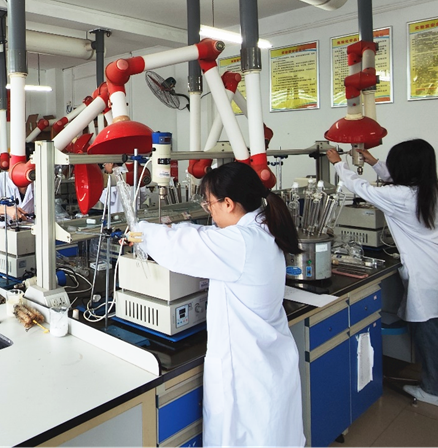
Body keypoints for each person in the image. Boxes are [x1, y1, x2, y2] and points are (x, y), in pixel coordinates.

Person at [128, 162, 305, 448]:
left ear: (229, 203)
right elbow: (200, 237)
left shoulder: (241, 242)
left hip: (247, 375)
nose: (210, 212)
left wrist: (141, 231)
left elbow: (185, 245)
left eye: (210, 204)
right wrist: (172, 227)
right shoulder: (262, 229)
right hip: (269, 363)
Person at [327, 140, 438, 409]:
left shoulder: (400, 196)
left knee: (431, 333)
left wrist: (338, 163)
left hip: (426, 271)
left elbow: (359, 187)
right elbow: (393, 180)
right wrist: (374, 163)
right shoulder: (428, 188)